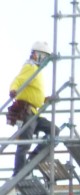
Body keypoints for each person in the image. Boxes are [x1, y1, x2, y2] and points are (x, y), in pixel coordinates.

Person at [8, 40, 54, 174]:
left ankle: (33, 158)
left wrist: (44, 100)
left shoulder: (37, 70)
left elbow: (33, 93)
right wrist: (13, 90)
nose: (43, 59)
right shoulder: (30, 67)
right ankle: (18, 174)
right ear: (35, 54)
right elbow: (18, 80)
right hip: (27, 113)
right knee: (24, 144)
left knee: (54, 131)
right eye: (42, 56)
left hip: (35, 113)